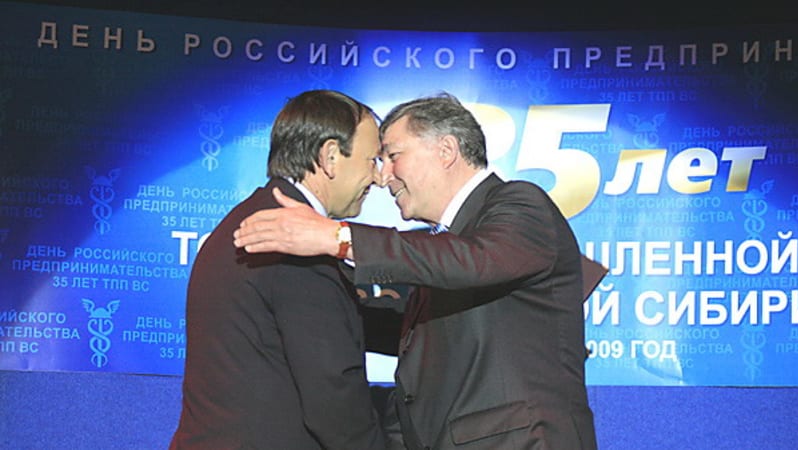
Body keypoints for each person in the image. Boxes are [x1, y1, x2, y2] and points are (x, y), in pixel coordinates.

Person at [232, 92, 605, 449]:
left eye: (393, 156)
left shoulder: (521, 204)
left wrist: (338, 237)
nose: (383, 177)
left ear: (446, 150)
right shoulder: (440, 249)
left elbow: (471, 261)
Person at [169, 89, 388, 449]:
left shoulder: (249, 218)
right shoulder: (293, 241)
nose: (378, 178)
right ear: (331, 157)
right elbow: (332, 395)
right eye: (371, 160)